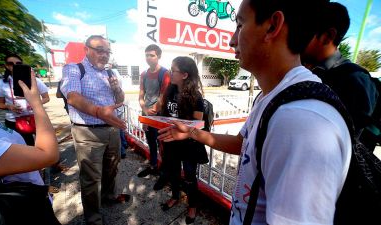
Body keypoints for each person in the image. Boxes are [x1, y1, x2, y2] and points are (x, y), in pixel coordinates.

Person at [158, 0, 352, 224]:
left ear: (272, 26)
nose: (232, 40)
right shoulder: (272, 96)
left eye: (240, 25)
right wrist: (191, 132)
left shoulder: (301, 120)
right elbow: (243, 143)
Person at [60, 35, 128, 225]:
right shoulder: (74, 69)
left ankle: (108, 196)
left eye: (107, 51)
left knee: (112, 168)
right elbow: (72, 97)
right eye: (100, 50)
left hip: (112, 130)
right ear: (86, 49)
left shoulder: (111, 72)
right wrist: (99, 112)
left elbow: (120, 99)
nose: (104, 55)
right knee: (90, 178)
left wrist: (116, 89)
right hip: (87, 132)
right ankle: (93, 217)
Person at [0, 73, 60, 224]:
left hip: (23, 196)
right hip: (13, 207)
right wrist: (36, 103)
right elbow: (47, 154)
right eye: (10, 64)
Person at [301, 2, 379, 150]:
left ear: (327, 36)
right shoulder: (306, 71)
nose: (296, 39)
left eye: (305, 32)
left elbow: (347, 145)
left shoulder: (355, 80)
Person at [159, 56, 208, 224]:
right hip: (171, 143)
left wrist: (185, 132)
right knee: (173, 172)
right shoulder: (170, 91)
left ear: (185, 75)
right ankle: (175, 196)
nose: (170, 73)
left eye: (173, 70)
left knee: (189, 176)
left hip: (188, 146)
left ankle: (192, 206)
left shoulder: (196, 97)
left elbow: (198, 125)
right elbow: (165, 115)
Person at [0, 54, 50, 146]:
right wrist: (9, 106)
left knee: (45, 143)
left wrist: (35, 104)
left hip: (36, 117)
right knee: (25, 146)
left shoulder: (35, 80)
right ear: (6, 65)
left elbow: (46, 98)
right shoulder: (0, 83)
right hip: (13, 120)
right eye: (10, 63)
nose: (15, 65)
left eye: (18, 63)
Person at [137, 44, 171, 190]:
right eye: (147, 55)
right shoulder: (143, 74)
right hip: (148, 115)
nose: (148, 58)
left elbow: (163, 97)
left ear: (158, 56)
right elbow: (141, 95)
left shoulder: (165, 73)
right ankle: (152, 166)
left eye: (152, 55)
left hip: (160, 117)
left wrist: (153, 111)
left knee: (162, 146)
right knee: (150, 142)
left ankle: (164, 175)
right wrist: (145, 112)